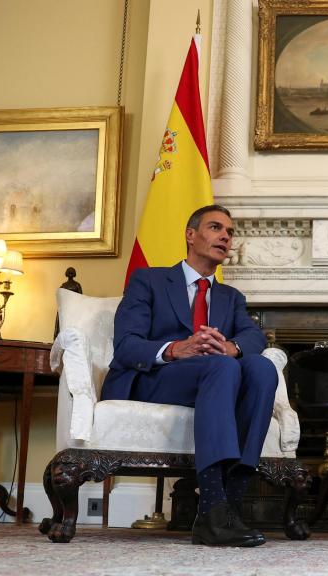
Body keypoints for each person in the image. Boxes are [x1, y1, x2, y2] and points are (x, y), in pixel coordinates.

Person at [101, 204, 277, 547]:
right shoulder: (149, 280)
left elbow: (253, 337)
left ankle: (230, 506)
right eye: (216, 228)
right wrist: (175, 349)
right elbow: (126, 345)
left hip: (215, 378)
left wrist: (231, 347)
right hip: (155, 379)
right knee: (222, 367)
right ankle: (211, 506)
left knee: (261, 368)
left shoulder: (231, 297)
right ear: (190, 235)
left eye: (230, 232)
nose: (225, 237)